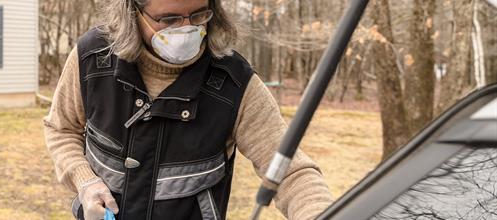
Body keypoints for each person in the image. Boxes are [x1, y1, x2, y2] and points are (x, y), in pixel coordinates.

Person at [42, 0, 333, 220]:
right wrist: (85, 181)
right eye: (168, 19)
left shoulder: (235, 85)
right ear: (133, 12)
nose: (187, 29)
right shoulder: (93, 59)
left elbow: (292, 173)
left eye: (198, 15)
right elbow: (61, 129)